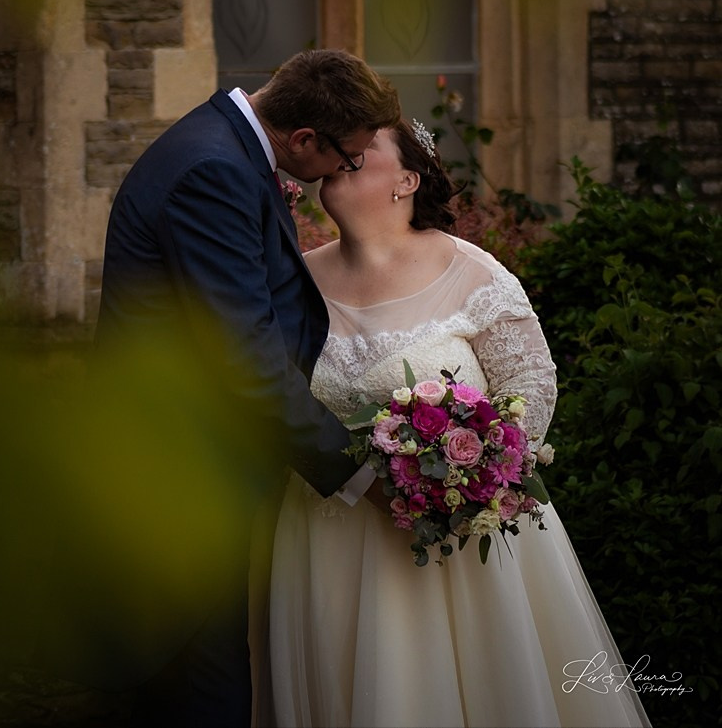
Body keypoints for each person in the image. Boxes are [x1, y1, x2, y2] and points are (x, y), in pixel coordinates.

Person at [264, 117, 652, 727]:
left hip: (460, 531)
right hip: (330, 529)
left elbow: (531, 385)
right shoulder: (294, 282)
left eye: (362, 154)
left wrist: (479, 478)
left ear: (407, 181)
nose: (343, 159)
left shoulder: (471, 271)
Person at [93, 50, 401, 727]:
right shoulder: (215, 170)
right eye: (345, 158)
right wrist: (361, 475)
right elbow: (247, 359)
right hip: (180, 479)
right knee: (208, 692)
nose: (342, 173)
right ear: (303, 140)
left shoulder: (225, 154)